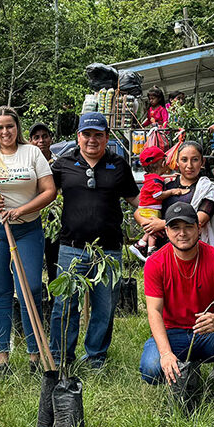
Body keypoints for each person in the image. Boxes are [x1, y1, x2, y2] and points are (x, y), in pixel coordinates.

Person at [0, 108, 57, 375]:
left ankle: (34, 355)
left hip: (27, 228)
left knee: (31, 287)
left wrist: (21, 210)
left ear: (18, 127)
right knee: (0, 290)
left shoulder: (32, 153)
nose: (5, 132)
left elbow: (49, 190)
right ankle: (3, 358)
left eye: (10, 126)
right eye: (0, 127)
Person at [49, 112, 140, 369]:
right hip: (71, 247)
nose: (92, 140)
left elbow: (136, 200)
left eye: (98, 135)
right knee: (64, 305)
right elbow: (45, 193)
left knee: (104, 307)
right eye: (87, 134)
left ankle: (95, 357)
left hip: (108, 250)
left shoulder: (118, 164)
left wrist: (157, 217)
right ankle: (61, 357)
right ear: (78, 136)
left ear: (106, 137)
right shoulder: (63, 164)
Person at [138, 203, 214, 408]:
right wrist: (166, 353)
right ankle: (187, 370)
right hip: (173, 333)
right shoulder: (155, 262)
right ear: (166, 231)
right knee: (151, 369)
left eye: (188, 226)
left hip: (209, 330)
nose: (182, 233)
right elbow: (154, 311)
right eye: (175, 228)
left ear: (199, 228)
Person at [134, 141, 214, 249]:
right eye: (184, 160)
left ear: (202, 162)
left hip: (191, 249)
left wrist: (162, 224)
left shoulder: (208, 189)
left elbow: (200, 220)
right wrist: (150, 225)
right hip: (160, 249)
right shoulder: (165, 185)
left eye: (195, 160)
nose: (189, 166)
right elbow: (139, 211)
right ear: (177, 162)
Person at [131, 145, 188, 261]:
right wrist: (172, 192)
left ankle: (141, 244)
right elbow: (157, 195)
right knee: (153, 230)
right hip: (150, 209)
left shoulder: (151, 177)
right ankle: (150, 250)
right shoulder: (155, 181)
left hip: (147, 208)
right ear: (163, 163)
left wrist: (171, 176)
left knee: (152, 229)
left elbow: (160, 180)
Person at [28, 122, 60, 284]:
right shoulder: (26, 166)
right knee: (32, 265)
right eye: (36, 137)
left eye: (45, 136)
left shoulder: (59, 164)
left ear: (51, 139)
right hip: (32, 218)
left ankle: (54, 295)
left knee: (55, 263)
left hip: (55, 221)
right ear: (30, 141)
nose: (41, 141)